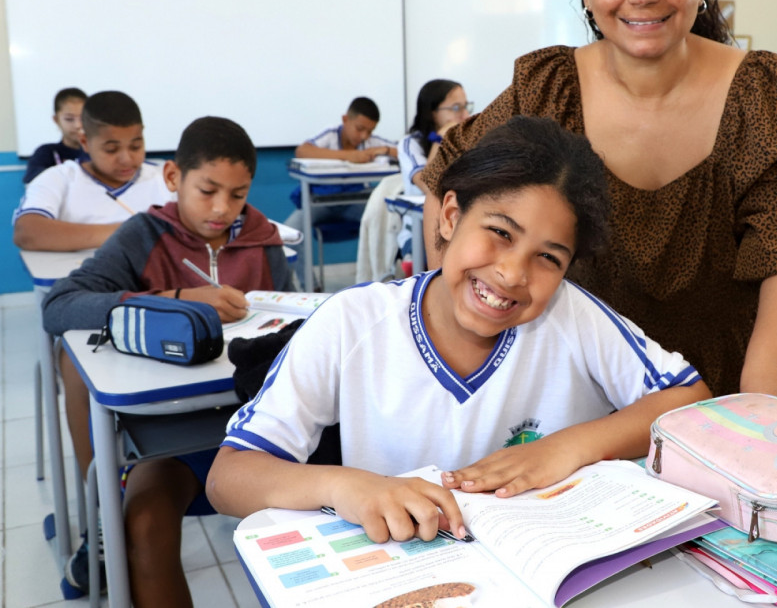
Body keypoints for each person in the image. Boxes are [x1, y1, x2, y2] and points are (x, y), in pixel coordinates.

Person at [417, 0, 777, 414]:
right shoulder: (547, 87)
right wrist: (460, 310)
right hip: (580, 385)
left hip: (737, 377)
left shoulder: (762, 92)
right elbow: (449, 171)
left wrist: (770, 369)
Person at [207, 117, 710, 536]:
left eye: (548, 258)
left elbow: (691, 399)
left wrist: (566, 447)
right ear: (449, 217)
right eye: (499, 233)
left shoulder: (572, 316)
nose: (512, 274)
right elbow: (229, 477)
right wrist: (347, 487)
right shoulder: (353, 322)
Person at [42, 117, 294, 603]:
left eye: (238, 194)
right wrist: (177, 298)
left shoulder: (265, 240)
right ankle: (103, 519)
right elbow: (60, 305)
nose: (222, 209)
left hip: (251, 425)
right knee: (146, 525)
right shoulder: (144, 235)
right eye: (207, 190)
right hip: (166, 437)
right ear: (174, 178)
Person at [12, 90, 172, 252]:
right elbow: (27, 232)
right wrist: (134, 231)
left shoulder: (166, 179)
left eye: (135, 146)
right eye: (111, 149)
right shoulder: (58, 179)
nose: (127, 159)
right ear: (85, 142)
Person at [355, 79, 469, 282]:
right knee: (443, 274)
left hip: (461, 223)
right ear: (433, 112)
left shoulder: (469, 140)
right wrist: (441, 140)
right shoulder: (410, 144)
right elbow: (429, 186)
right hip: (419, 231)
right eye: (455, 108)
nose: (465, 115)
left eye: (466, 107)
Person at [284, 96, 398, 231]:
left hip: (356, 202)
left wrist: (385, 150)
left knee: (391, 223)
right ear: (345, 120)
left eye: (370, 131)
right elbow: (302, 151)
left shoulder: (370, 142)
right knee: (290, 231)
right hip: (321, 201)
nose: (364, 136)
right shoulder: (330, 134)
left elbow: (404, 150)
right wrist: (349, 156)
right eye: (359, 129)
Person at [23, 87, 89, 184]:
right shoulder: (46, 152)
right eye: (69, 119)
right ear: (56, 120)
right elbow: (31, 178)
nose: (77, 125)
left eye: (82, 118)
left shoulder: (97, 152)